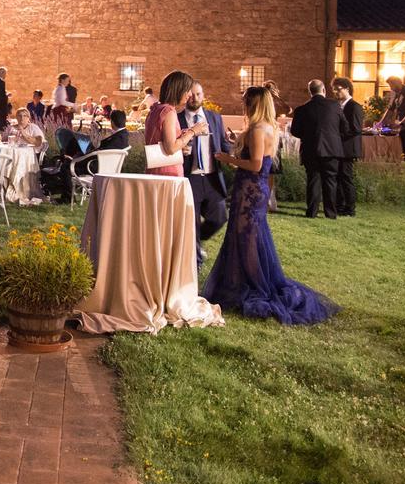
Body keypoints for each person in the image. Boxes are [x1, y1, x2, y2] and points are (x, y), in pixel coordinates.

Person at [204, 86, 339, 324]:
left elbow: (255, 165)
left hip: (250, 190)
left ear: (254, 105)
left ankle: (254, 284)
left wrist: (227, 158)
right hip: (254, 190)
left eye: (247, 102)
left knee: (247, 239)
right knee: (248, 237)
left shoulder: (258, 129)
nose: (244, 105)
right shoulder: (267, 127)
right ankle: (242, 280)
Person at [178, 82, 231, 263]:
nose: (195, 98)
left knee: (219, 217)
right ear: (186, 96)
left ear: (203, 95)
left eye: (198, 94)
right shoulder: (177, 119)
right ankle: (195, 262)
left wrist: (233, 154)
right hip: (189, 177)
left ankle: (197, 242)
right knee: (191, 223)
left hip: (211, 177)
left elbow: (223, 144)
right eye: (191, 95)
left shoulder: (214, 117)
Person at [290, 80, 351, 219]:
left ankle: (312, 211)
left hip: (310, 149)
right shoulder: (335, 106)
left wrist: (308, 135)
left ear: (310, 91)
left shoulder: (301, 109)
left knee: (313, 180)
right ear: (323, 90)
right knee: (330, 181)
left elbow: (295, 131)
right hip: (331, 149)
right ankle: (330, 212)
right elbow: (345, 128)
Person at [145, 71, 207, 177]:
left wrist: (182, 138)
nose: (190, 94)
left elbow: (158, 139)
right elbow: (170, 148)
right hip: (168, 172)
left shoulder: (155, 109)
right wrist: (192, 131)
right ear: (179, 90)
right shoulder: (168, 111)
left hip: (155, 170)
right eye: (188, 90)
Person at [332, 77, 365, 218]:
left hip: (348, 148)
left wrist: (338, 135)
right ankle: (339, 206)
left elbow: (356, 129)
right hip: (339, 148)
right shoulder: (338, 105)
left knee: (346, 178)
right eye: (334, 89)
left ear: (347, 89)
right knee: (338, 178)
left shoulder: (354, 106)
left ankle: (350, 209)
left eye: (338, 89)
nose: (335, 92)